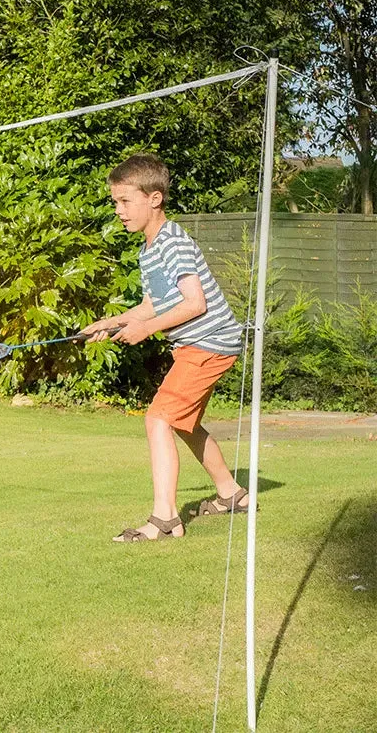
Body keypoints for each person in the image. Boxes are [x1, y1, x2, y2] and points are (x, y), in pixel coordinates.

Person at [82, 153, 249, 542]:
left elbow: (194, 303)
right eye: (115, 202)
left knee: (158, 418)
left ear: (154, 198)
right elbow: (156, 303)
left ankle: (165, 520)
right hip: (199, 343)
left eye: (125, 201)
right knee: (183, 423)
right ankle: (232, 495)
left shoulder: (172, 241)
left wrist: (145, 330)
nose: (118, 211)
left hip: (209, 341)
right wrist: (113, 322)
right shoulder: (149, 248)